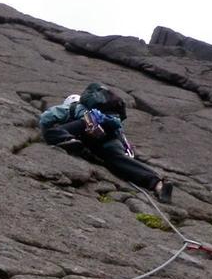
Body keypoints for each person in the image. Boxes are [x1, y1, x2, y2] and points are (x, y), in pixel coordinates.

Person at [39, 83, 174, 203]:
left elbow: (46, 118)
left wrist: (50, 128)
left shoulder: (72, 106)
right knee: (118, 160)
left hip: (88, 125)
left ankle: (68, 140)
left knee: (51, 132)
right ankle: (158, 184)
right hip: (110, 137)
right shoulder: (110, 115)